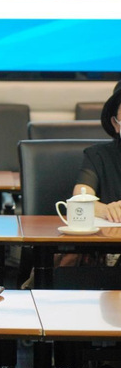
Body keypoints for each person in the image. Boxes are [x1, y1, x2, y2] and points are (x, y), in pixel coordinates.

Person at [67, 80, 121, 267]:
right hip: (106, 253)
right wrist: (107, 210)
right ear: (116, 124)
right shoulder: (97, 155)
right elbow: (80, 197)